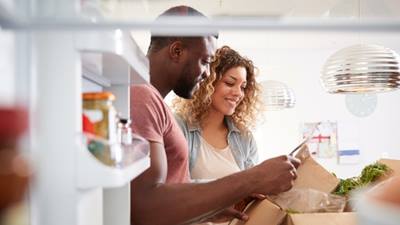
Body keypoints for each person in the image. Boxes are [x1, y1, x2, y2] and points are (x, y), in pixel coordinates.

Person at [130, 6, 300, 225]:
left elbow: (163, 199)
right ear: (177, 51)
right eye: (204, 61)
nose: (208, 74)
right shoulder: (142, 97)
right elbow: (144, 207)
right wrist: (253, 178)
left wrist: (208, 210)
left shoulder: (151, 100)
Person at [173, 46, 261, 184]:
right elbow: (173, 186)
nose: (238, 93)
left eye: (243, 87)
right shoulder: (178, 126)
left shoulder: (244, 137)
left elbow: (253, 189)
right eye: (230, 83)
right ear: (207, 83)